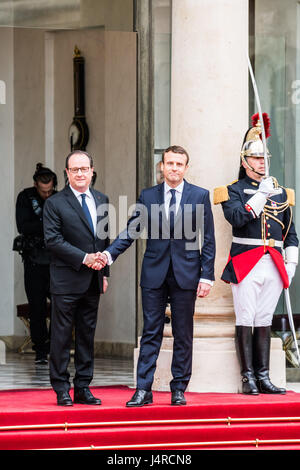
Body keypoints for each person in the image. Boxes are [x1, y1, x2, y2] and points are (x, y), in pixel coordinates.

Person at [95, 145, 216, 407]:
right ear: (162, 166)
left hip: (187, 273)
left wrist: (207, 276)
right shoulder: (148, 196)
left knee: (183, 333)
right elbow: (131, 230)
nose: (174, 168)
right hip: (154, 274)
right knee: (151, 331)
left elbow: (208, 239)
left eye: (179, 164)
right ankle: (143, 389)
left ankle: (179, 389)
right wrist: (109, 254)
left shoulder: (199, 195)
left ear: (186, 167)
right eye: (169, 163)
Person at [214, 113, 299, 395]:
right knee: (246, 317)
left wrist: (292, 263)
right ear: (245, 161)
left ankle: (263, 376)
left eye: (265, 158)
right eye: (257, 158)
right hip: (246, 261)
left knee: (264, 318)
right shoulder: (232, 191)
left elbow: (290, 233)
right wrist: (260, 195)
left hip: (274, 263)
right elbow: (237, 218)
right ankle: (247, 377)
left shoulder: (281, 193)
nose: (262, 162)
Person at [43, 150, 110, 406]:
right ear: (67, 173)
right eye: (75, 169)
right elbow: (53, 240)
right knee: (61, 336)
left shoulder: (102, 200)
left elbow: (105, 240)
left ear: (92, 171)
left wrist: (104, 272)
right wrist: (84, 258)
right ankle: (61, 387)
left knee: (87, 335)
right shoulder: (55, 203)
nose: (80, 173)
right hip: (66, 279)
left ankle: (83, 386)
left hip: (93, 280)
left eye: (84, 169)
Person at [15, 163, 57, 364]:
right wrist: (48, 225)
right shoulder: (25, 197)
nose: (47, 195)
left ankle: (55, 347)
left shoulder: (58, 199)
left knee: (61, 305)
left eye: (50, 191)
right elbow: (24, 226)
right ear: (35, 185)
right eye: (43, 191)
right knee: (37, 307)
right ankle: (40, 349)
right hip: (34, 260)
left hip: (56, 261)